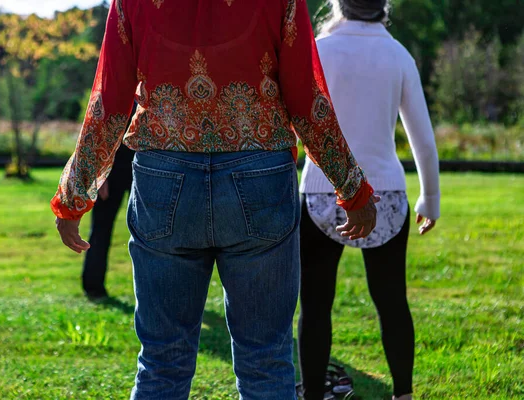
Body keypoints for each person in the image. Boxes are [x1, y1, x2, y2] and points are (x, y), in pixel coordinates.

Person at [51, 0, 379, 398]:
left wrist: (73, 194)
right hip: (259, 175)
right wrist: (352, 187)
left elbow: (110, 100)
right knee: (266, 359)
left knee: (161, 361)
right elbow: (306, 98)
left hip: (165, 177)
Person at [297, 1, 441, 400]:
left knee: (315, 304)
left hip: (321, 191)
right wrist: (430, 198)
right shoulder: (398, 55)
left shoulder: (318, 50)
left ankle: (311, 394)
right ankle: (404, 393)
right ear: (384, 7)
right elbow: (423, 140)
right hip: (386, 194)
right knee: (393, 300)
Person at [82, 103, 137, 302]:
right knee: (100, 230)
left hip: (144, 168)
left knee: (151, 233)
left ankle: (155, 292)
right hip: (111, 169)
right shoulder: (112, 85)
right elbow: (98, 127)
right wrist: (99, 174)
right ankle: (93, 287)